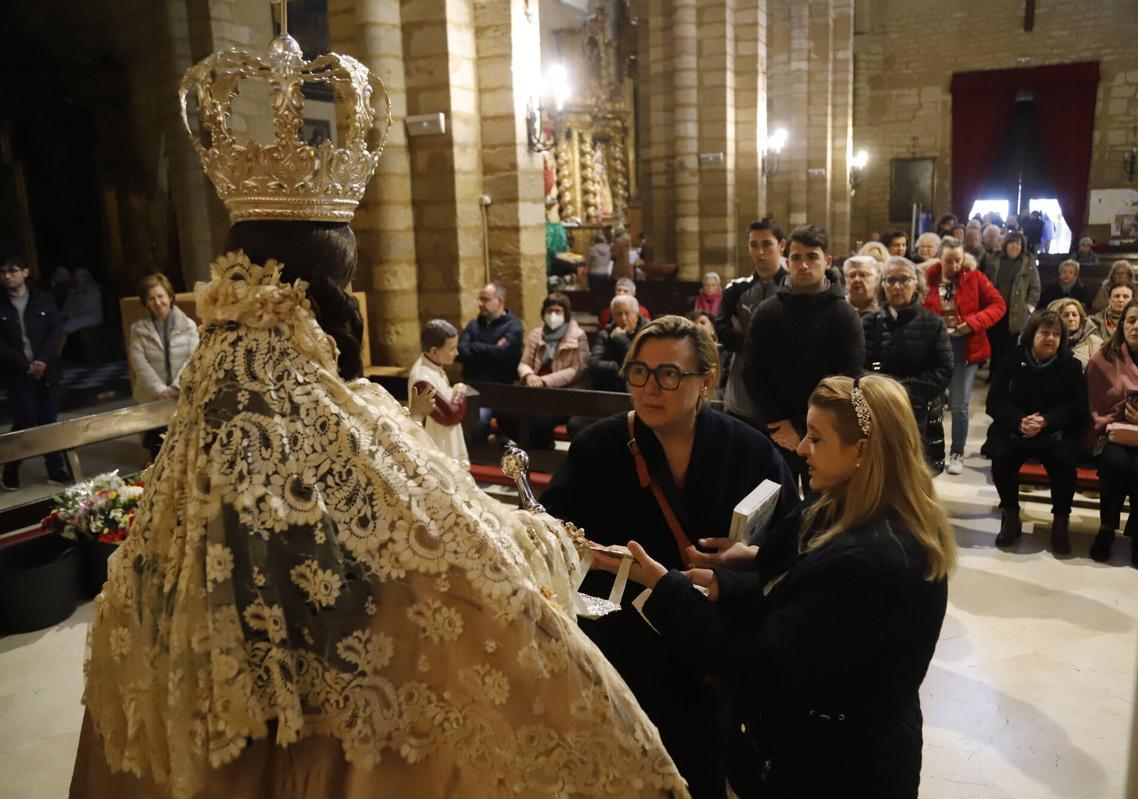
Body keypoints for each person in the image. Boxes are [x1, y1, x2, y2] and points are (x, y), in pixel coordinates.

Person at [71, 34, 685, 796]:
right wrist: (554, 542)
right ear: (326, 291)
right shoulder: (341, 409)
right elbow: (455, 556)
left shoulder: (212, 398)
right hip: (329, 738)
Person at [591, 374, 955, 798]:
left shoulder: (871, 561)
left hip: (838, 769)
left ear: (860, 451)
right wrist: (726, 585)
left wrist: (661, 585)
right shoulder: (858, 508)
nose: (802, 449)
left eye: (816, 439)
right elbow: (807, 592)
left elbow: (759, 662)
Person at [541, 315, 798, 799]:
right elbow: (550, 534)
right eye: (639, 371)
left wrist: (750, 556)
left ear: (707, 381)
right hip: (621, 646)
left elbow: (792, 545)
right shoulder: (598, 447)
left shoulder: (749, 450)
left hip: (705, 649)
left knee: (699, 773)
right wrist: (591, 555)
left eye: (669, 374)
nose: (650, 387)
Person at [744, 225, 865, 489]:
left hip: (826, 432)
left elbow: (849, 376)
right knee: (777, 508)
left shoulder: (844, 315)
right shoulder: (767, 312)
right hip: (776, 432)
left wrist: (805, 429)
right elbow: (752, 372)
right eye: (796, 258)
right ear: (788, 262)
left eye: (812, 257)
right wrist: (780, 424)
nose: (803, 265)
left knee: (823, 508)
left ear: (827, 261)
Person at [984, 309, 1088, 554]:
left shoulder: (1070, 365)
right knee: (1002, 458)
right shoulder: (1013, 359)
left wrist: (1046, 421)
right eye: (1044, 332)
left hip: (1054, 431)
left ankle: (1061, 522)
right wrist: (1019, 421)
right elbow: (994, 401)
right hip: (1016, 428)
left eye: (1056, 334)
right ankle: (1011, 515)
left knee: (1064, 464)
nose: (1050, 338)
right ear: (1032, 334)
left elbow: (1077, 407)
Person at [1085, 298, 1138, 569]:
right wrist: (1123, 412)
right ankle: (1106, 529)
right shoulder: (1105, 356)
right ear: (1122, 325)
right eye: (1131, 320)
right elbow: (1095, 401)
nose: (1137, 326)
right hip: (1112, 431)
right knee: (1114, 463)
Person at [923, 237, 1007, 475]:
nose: (954, 266)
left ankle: (957, 451)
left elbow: (998, 305)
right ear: (939, 258)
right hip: (935, 348)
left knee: (959, 406)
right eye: (949, 261)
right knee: (933, 403)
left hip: (966, 347)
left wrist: (972, 323)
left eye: (958, 260)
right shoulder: (927, 278)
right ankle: (931, 451)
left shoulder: (975, 278)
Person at [863, 256, 952, 472]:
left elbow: (943, 370)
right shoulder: (868, 322)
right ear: (882, 286)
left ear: (917, 284)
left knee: (913, 472)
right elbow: (857, 367)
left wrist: (902, 391)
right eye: (890, 280)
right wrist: (884, 392)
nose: (897, 286)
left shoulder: (933, 323)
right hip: (877, 408)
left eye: (904, 279)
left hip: (917, 409)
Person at [0, 256, 68, 489]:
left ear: (26, 272)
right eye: (3, 272)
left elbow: (55, 332)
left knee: (49, 420)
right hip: (17, 374)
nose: (8, 276)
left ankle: (56, 469)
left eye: (13, 270)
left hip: (47, 370)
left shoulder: (43, 300)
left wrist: (42, 360)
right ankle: (10, 467)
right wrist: (24, 365)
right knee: (26, 420)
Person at [716, 218, 789, 427]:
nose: (760, 252)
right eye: (753, 245)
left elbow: (795, 338)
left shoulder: (793, 289)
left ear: (781, 246)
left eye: (766, 244)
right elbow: (722, 332)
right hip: (740, 399)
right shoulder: (736, 289)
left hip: (781, 398)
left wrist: (744, 335)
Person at [128, 273, 200, 460]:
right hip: (153, 398)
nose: (157, 302)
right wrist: (160, 390)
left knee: (185, 452)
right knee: (158, 454)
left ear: (170, 296)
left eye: (161, 296)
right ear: (146, 303)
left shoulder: (189, 326)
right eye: (151, 298)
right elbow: (139, 363)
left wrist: (176, 387)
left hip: (182, 396)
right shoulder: (138, 329)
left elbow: (193, 359)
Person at [512, 292, 589, 448]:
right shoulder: (536, 334)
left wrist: (545, 381)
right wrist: (529, 375)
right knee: (507, 415)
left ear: (565, 313)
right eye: (549, 311)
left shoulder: (578, 335)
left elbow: (577, 369)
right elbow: (524, 362)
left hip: (564, 394)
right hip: (534, 390)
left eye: (558, 311)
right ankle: (535, 448)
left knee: (540, 420)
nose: (553, 315)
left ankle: (541, 453)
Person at [457, 281, 523, 441]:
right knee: (472, 430)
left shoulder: (513, 327)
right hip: (474, 389)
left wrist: (475, 347)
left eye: (485, 299)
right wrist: (492, 349)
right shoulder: (473, 325)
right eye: (480, 299)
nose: (480, 304)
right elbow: (460, 352)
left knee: (513, 427)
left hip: (501, 390)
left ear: (499, 301)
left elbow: (505, 356)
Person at [408, 319, 470, 461]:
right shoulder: (423, 379)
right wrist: (460, 392)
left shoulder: (433, 366)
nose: (457, 353)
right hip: (436, 441)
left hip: (444, 436)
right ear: (434, 351)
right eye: (452, 348)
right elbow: (450, 416)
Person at [984, 230, 1040, 377]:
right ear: (1005, 244)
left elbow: (1035, 287)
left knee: (1010, 346)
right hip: (995, 309)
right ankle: (993, 374)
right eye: (1012, 243)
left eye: (1018, 244)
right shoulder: (994, 260)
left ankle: (1005, 376)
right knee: (994, 343)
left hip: (1015, 310)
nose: (1015, 246)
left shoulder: (1028, 262)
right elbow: (985, 283)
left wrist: (1029, 308)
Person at [590, 294, 647, 392]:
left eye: (627, 313)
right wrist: (625, 369)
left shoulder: (646, 335)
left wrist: (622, 339)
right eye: (618, 314)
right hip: (609, 390)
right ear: (613, 317)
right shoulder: (605, 335)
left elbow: (642, 364)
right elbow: (594, 364)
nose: (623, 318)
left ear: (636, 315)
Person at [1048, 297, 1104, 368]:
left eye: (1074, 315)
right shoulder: (1049, 340)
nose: (1071, 319)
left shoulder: (1094, 342)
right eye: (1065, 315)